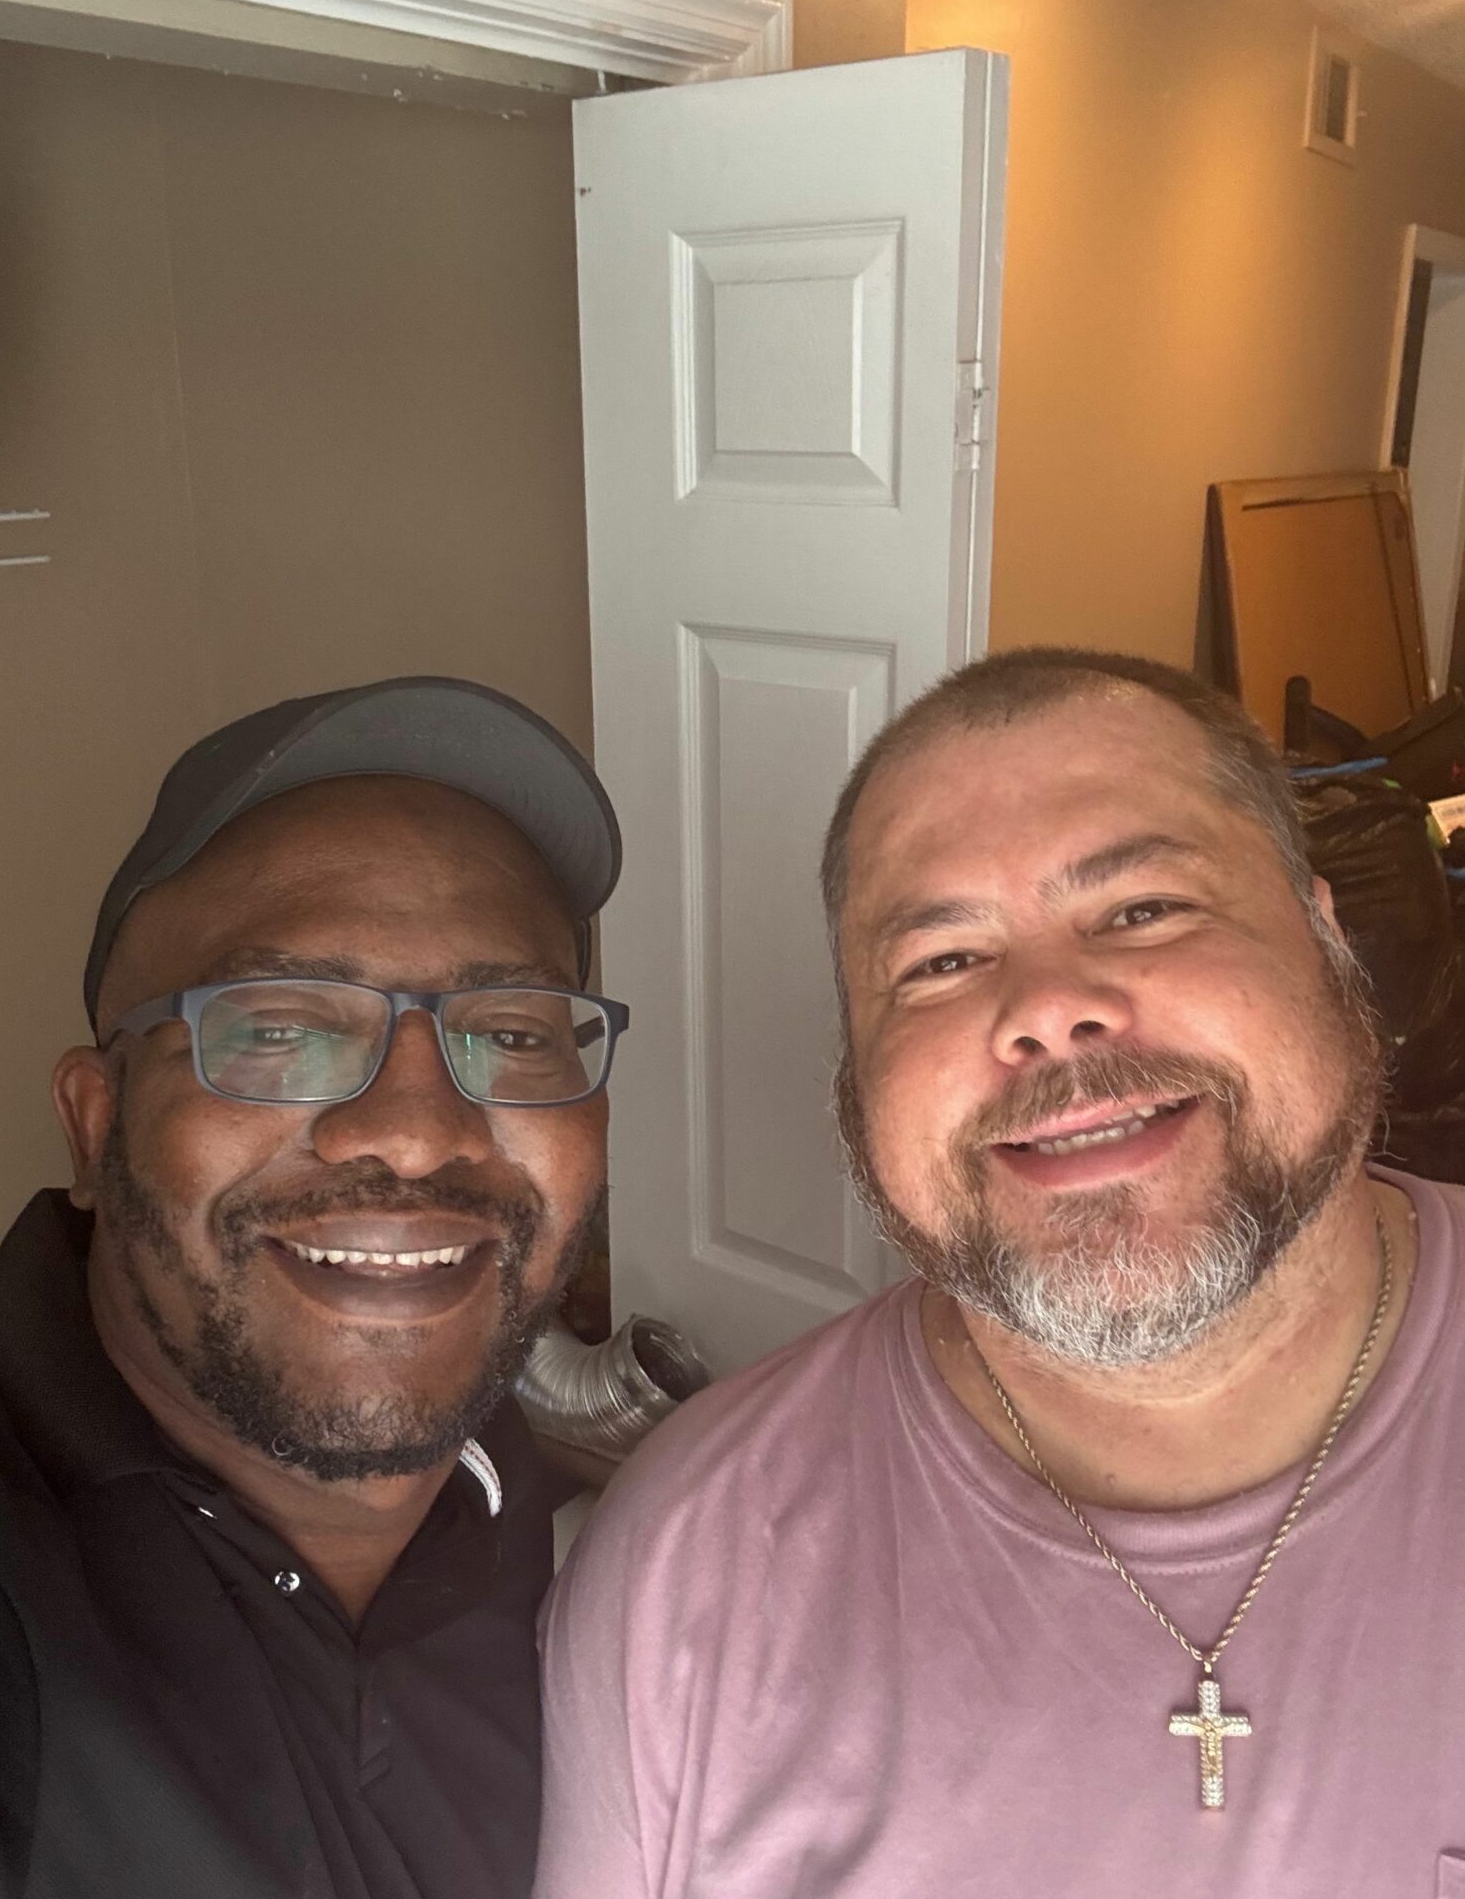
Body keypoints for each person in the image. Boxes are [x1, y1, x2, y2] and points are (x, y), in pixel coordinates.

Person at [534, 647, 1465, 1899]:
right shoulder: (681, 1567)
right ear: (854, 1073)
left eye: (1142, 907)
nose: (1048, 1008)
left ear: (1323, 931)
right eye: (941, 961)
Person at [0, 676, 628, 1899]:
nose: (422, 1132)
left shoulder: (553, 1525)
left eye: (513, 1030)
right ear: (94, 1122)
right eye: (277, 1027)